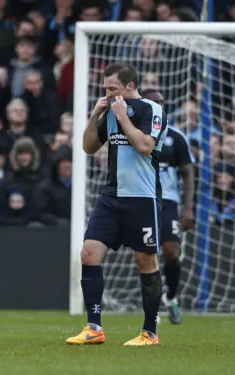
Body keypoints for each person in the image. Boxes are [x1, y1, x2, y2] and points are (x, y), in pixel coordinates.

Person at [67, 63, 168, 346]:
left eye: (113, 88)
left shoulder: (151, 110)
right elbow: (88, 147)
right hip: (111, 196)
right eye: (106, 88)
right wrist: (96, 114)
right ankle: (94, 327)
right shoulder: (109, 111)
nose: (108, 93)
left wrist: (123, 118)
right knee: (88, 253)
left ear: (129, 86)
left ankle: (149, 332)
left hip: (142, 197)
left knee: (145, 260)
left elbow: (146, 146)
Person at [142, 89, 195, 325]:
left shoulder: (176, 137)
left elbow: (188, 173)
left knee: (172, 253)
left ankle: (171, 297)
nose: (158, 108)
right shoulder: (135, 136)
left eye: (161, 104)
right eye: (153, 104)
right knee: (145, 254)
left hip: (169, 202)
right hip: (141, 200)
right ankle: (152, 308)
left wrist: (188, 209)